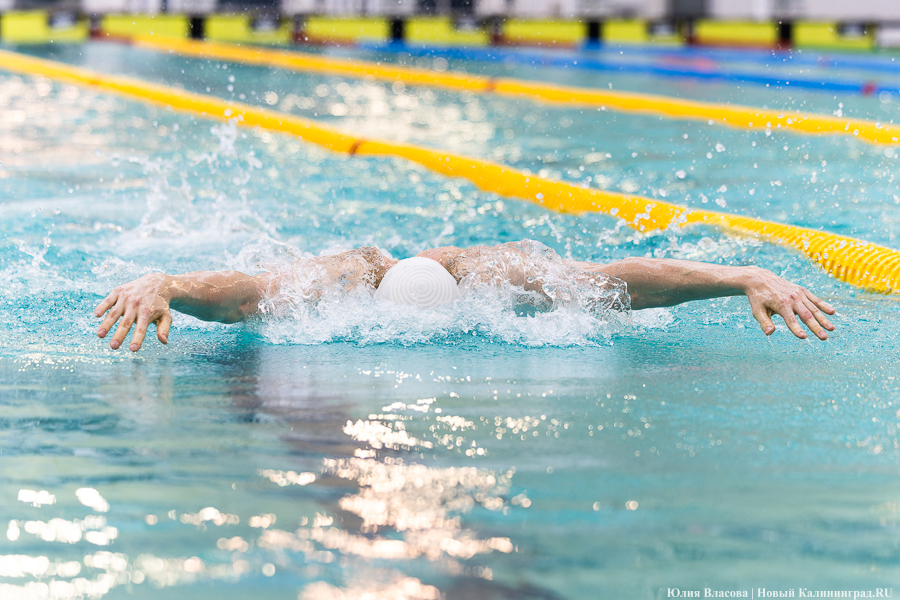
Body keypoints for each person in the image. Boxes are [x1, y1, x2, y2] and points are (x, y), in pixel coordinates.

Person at [94, 240, 836, 353]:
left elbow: (615, 280)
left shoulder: (493, 275)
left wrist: (738, 275)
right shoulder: (344, 278)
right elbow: (243, 297)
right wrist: (166, 283)